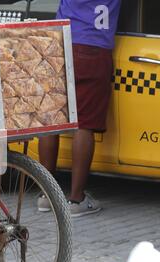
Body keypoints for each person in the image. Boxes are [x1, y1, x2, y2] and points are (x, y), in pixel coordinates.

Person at [38, 0, 121, 217]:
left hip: (60, 43)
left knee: (51, 121)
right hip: (94, 49)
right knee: (84, 126)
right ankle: (76, 200)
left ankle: (45, 196)